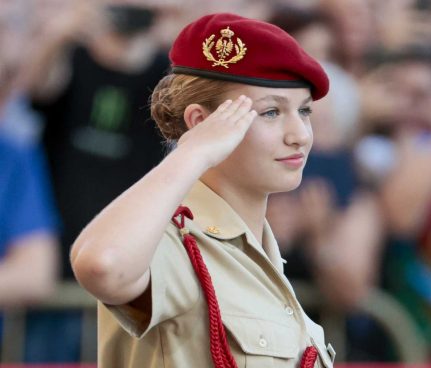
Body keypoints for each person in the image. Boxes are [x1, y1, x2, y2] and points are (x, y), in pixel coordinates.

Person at [70, 12, 335, 367]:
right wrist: (193, 151)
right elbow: (103, 265)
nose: (299, 134)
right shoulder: (179, 242)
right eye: (271, 112)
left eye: (304, 111)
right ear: (201, 122)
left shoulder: (259, 254)